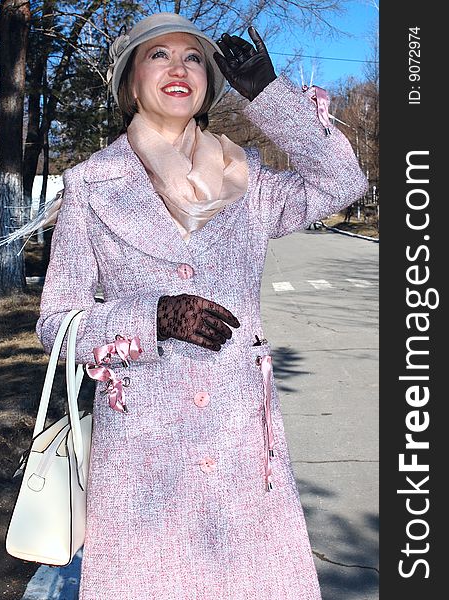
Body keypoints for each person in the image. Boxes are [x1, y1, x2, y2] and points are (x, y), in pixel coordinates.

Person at [36, 11, 368, 600]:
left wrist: (270, 96)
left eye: (193, 57)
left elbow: (343, 182)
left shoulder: (248, 179)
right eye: (157, 55)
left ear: (209, 83)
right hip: (144, 450)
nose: (178, 68)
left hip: (240, 436)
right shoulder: (91, 185)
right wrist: (153, 317)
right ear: (130, 82)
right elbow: (56, 321)